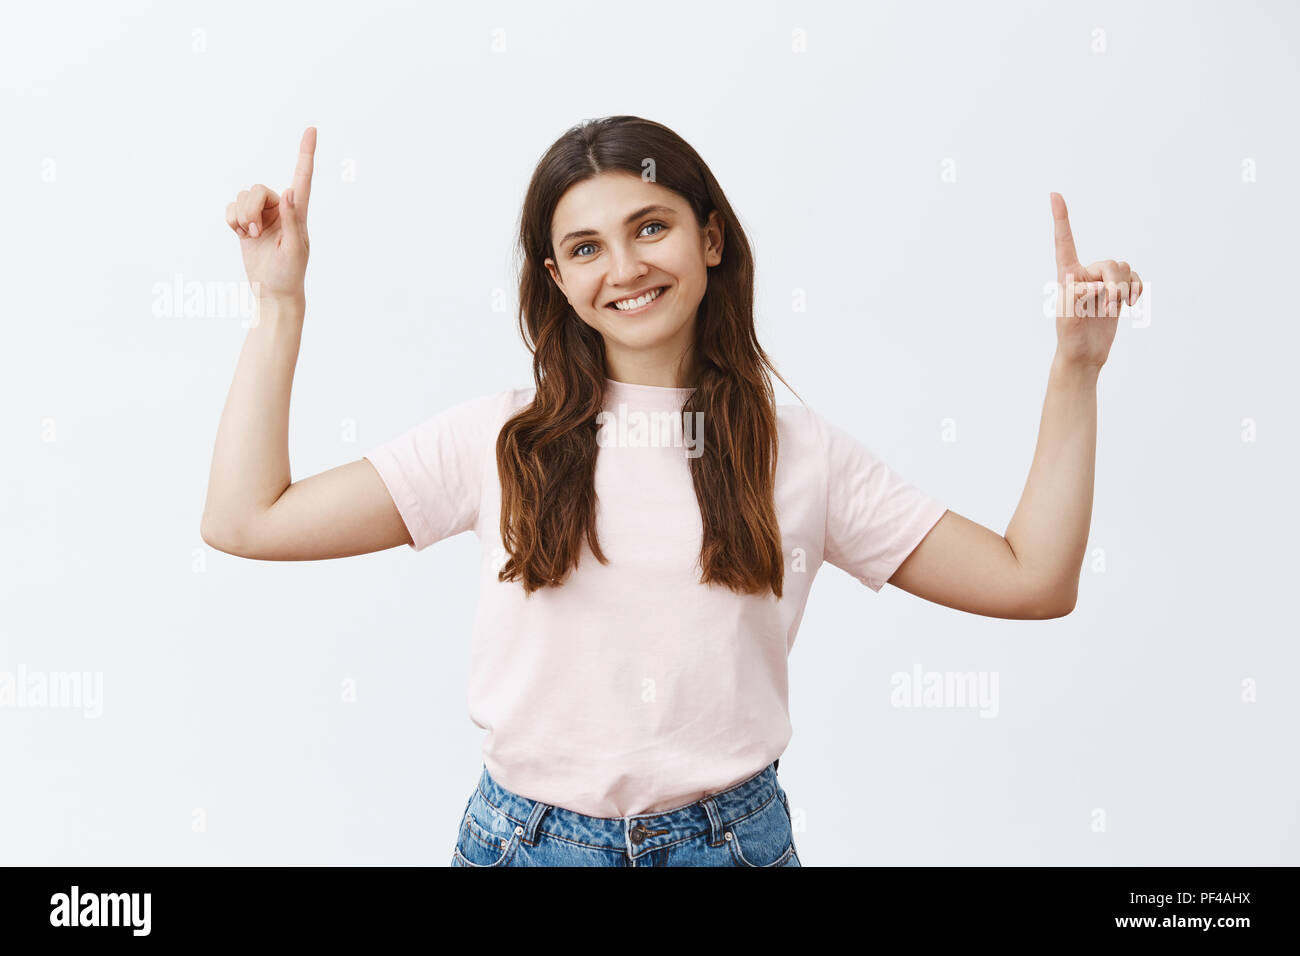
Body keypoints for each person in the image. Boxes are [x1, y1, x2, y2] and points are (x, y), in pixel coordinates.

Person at [204, 116, 1142, 866]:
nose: (625, 267)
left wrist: (1076, 368)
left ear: (713, 238)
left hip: (728, 847)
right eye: (585, 247)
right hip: (525, 847)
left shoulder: (800, 453)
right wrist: (279, 305)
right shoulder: (495, 440)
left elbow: (1032, 580)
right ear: (556, 280)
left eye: (650, 227)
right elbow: (248, 519)